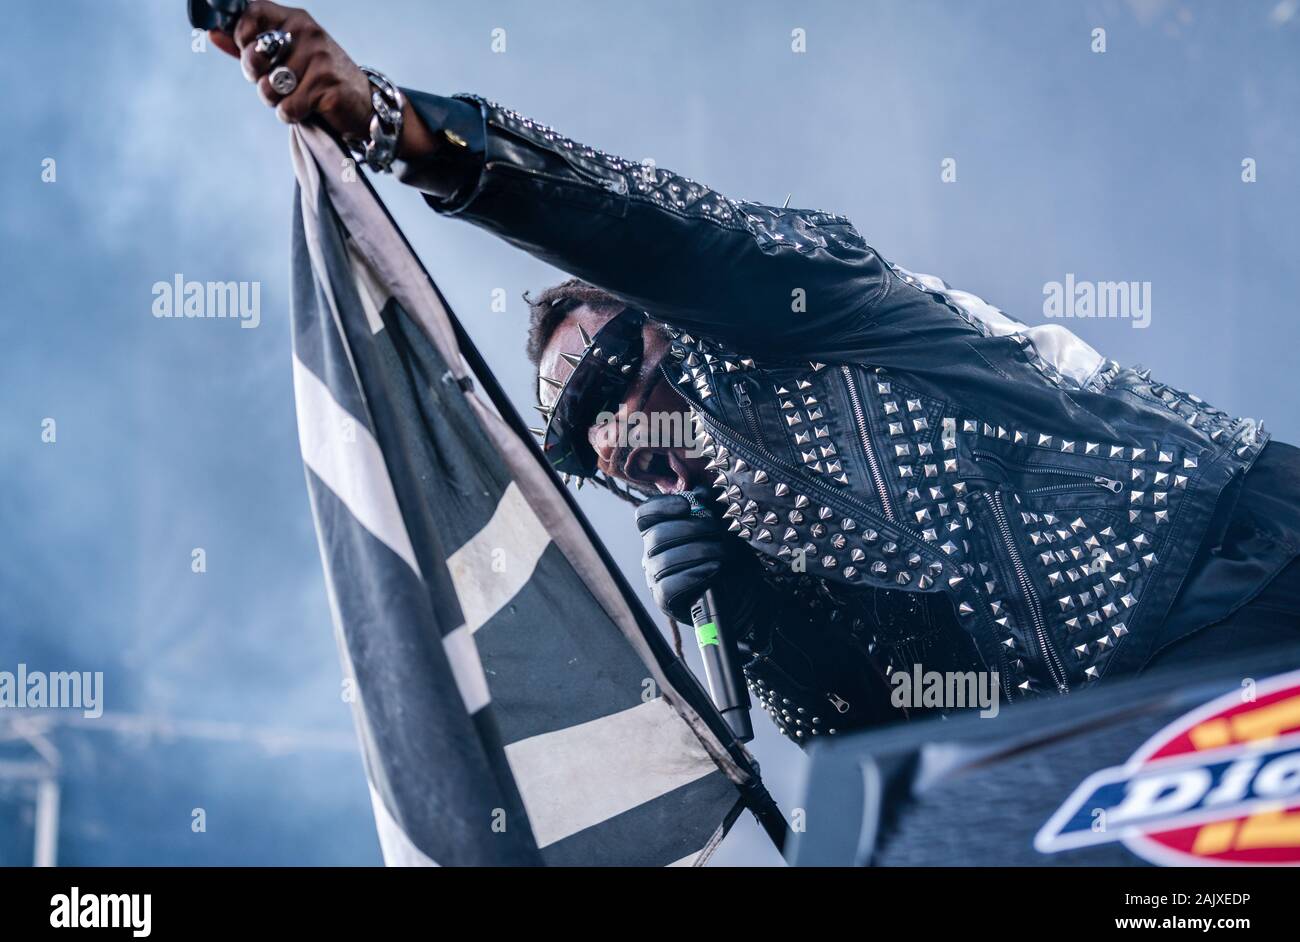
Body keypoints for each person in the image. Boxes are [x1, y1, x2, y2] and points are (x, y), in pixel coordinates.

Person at [212, 3, 1300, 744]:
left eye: (607, 369)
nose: (615, 421)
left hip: (1227, 562)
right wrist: (762, 629)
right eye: (580, 430)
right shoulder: (744, 544)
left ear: (661, 324)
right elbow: (891, 743)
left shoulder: (793, 307)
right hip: (1116, 732)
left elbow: (650, 230)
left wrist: (413, 138)